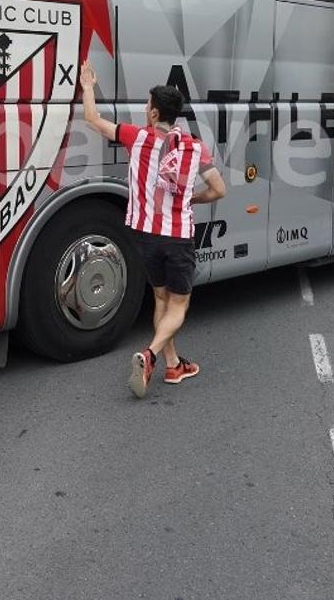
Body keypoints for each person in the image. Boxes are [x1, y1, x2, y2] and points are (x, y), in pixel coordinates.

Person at [78, 60, 227, 398]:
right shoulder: (195, 148)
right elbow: (219, 190)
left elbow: (92, 119)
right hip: (178, 236)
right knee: (179, 306)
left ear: (156, 113)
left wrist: (88, 86)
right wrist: (191, 200)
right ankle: (151, 355)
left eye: (147, 106)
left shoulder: (137, 137)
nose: (145, 109)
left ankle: (173, 366)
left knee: (161, 297)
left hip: (144, 234)